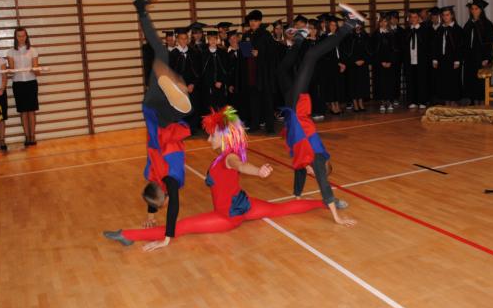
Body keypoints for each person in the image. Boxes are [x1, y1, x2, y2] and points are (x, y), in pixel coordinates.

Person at [103, 105, 326, 247]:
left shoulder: (229, 157)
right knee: (280, 209)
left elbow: (241, 166)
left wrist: (258, 171)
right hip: (245, 204)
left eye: (211, 136)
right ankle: (324, 202)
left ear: (224, 138)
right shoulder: (223, 156)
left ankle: (127, 235)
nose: (208, 139)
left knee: (183, 227)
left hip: (227, 217)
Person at [107, 0, 193, 252]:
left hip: (166, 119)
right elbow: (153, 190)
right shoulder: (152, 174)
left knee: (185, 112)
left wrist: (166, 238)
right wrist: (150, 213)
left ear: (164, 194)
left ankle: (178, 91)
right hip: (151, 107)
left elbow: (173, 204)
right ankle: (140, 5)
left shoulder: (168, 180)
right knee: (161, 53)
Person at [276, 3, 363, 226]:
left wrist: (297, 196)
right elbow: (325, 188)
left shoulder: (304, 161)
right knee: (311, 57)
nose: (313, 174)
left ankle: (299, 38)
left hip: (291, 108)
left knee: (282, 70)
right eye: (318, 172)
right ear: (323, 167)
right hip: (297, 108)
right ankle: (350, 24)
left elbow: (299, 171)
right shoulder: (317, 158)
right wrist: (337, 218)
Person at [243, 10, 278, 134]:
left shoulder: (265, 35)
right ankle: (255, 124)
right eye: (251, 21)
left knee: (267, 101)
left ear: (260, 21)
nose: (252, 23)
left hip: (263, 74)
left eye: (255, 20)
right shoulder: (246, 35)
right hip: (251, 73)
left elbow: (273, 52)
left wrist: (260, 53)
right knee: (254, 101)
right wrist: (246, 52)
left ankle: (270, 126)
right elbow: (244, 54)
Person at [7, 27, 41, 146]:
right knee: (23, 112)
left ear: (26, 36)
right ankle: (26, 136)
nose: (21, 38)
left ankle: (32, 136)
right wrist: (9, 71)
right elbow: (11, 71)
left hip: (31, 82)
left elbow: (36, 70)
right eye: (19, 36)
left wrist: (36, 70)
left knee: (31, 111)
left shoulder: (33, 50)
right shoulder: (10, 52)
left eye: (23, 35)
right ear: (15, 37)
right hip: (18, 83)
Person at [462, 0, 493, 105]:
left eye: (476, 9)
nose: (474, 11)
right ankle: (472, 100)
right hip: (470, 57)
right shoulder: (468, 24)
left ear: (481, 10)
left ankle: (482, 101)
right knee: (470, 78)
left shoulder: (487, 24)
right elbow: (464, 41)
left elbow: (490, 43)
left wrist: (486, 58)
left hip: (481, 57)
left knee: (480, 80)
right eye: (472, 9)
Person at [170, 27, 201, 133]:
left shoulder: (193, 52)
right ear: (177, 40)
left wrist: (193, 84)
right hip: (179, 87)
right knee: (180, 108)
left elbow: (197, 70)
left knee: (193, 106)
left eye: (185, 38)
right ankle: (182, 130)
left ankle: (192, 129)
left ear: (188, 39)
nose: (183, 40)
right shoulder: (173, 54)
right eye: (181, 38)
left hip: (191, 86)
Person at [432, 6, 463, 105]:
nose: (445, 17)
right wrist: (435, 59)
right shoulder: (440, 29)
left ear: (452, 16)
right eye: (444, 15)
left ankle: (453, 100)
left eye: (447, 15)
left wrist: (457, 60)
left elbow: (460, 46)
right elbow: (435, 45)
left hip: (453, 60)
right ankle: (446, 100)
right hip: (442, 59)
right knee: (443, 80)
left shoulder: (458, 30)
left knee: (453, 80)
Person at [403, 10, 430, 109]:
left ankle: (422, 101)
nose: (413, 19)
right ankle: (412, 100)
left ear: (418, 18)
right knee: (411, 81)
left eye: (415, 17)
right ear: (409, 19)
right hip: (410, 60)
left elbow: (427, 45)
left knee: (421, 81)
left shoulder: (424, 30)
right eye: (411, 17)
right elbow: (404, 46)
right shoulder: (407, 30)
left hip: (421, 60)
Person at [371, 13, 396, 113]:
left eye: (385, 21)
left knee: (389, 82)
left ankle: (389, 101)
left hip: (389, 63)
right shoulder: (375, 34)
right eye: (381, 21)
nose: (383, 23)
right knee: (380, 82)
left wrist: (390, 61)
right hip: (379, 63)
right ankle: (382, 102)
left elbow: (394, 49)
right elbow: (374, 50)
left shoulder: (391, 34)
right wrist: (381, 62)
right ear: (379, 23)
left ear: (387, 22)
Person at [343, 19, 370, 112]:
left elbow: (369, 50)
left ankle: (361, 102)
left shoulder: (365, 36)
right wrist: (354, 61)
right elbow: (346, 51)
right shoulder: (348, 36)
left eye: (359, 24)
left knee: (362, 84)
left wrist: (364, 60)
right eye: (356, 24)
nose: (358, 26)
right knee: (353, 84)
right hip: (352, 64)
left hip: (363, 64)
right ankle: (355, 102)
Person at [322, 15, 346, 115]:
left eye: (335, 25)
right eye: (331, 25)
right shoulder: (325, 37)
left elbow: (342, 51)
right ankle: (333, 106)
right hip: (330, 65)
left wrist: (343, 63)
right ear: (328, 26)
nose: (333, 27)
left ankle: (337, 104)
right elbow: (326, 54)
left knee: (337, 86)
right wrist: (338, 63)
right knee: (331, 86)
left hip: (339, 64)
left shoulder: (339, 36)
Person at [200, 31, 228, 112]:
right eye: (210, 39)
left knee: (221, 106)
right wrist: (212, 83)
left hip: (220, 85)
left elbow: (225, 69)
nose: (212, 41)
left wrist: (221, 81)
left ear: (217, 40)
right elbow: (203, 71)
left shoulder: (222, 52)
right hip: (208, 86)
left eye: (214, 39)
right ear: (207, 40)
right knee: (210, 107)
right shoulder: (203, 53)